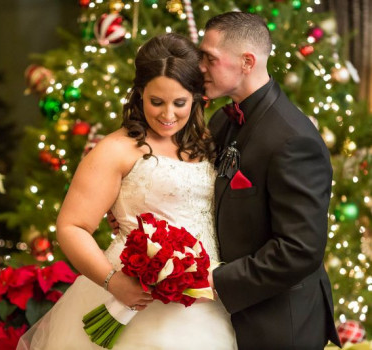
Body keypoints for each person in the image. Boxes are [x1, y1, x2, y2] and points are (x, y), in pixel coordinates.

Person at [17, 33, 237, 350]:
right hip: (135, 297)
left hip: (208, 297)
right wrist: (114, 282)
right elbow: (71, 226)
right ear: (138, 95)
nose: (168, 115)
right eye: (156, 102)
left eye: (180, 103)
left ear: (196, 98)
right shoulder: (115, 150)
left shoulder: (208, 141)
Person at [199, 12, 342, 349]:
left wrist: (215, 282)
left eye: (209, 58)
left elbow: (299, 250)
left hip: (280, 323)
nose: (200, 67)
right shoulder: (222, 118)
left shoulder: (293, 139)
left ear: (247, 62)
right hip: (230, 316)